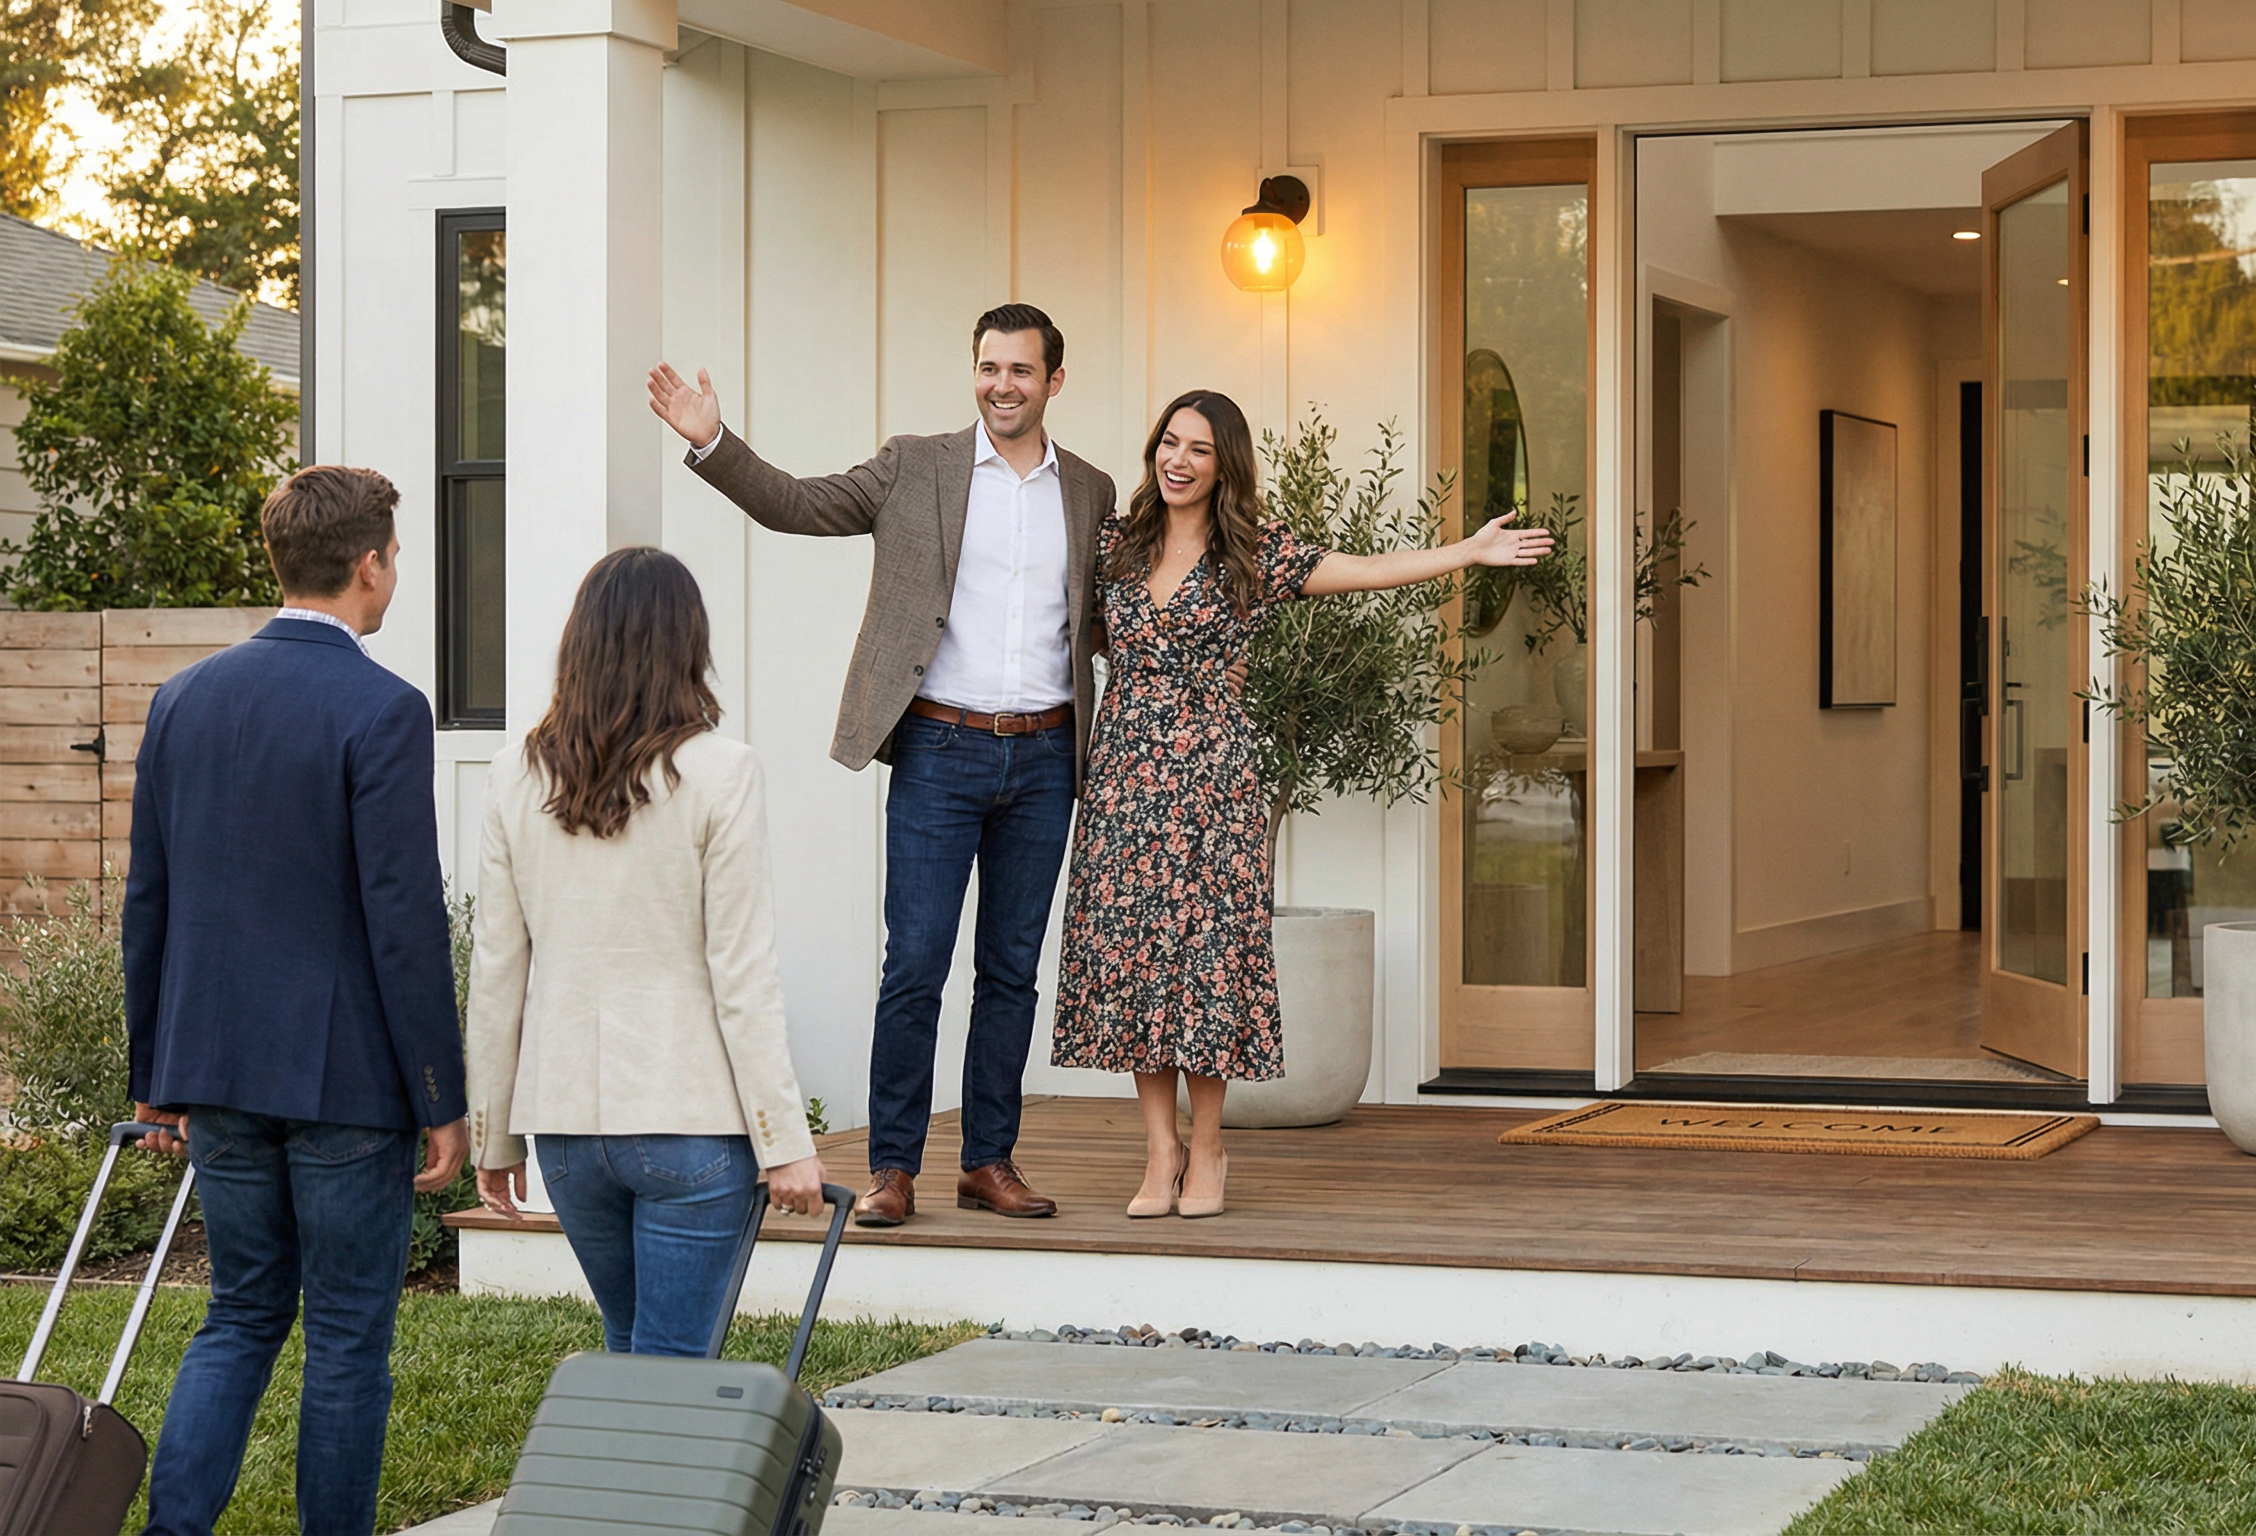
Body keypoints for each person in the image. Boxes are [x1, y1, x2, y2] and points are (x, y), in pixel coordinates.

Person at [644, 303, 1113, 1225]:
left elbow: (1116, 605)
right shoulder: (916, 465)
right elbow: (800, 505)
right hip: (938, 748)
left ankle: (989, 1161)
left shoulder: (1089, 492)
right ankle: (895, 1168)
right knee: (916, 967)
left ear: (1054, 381)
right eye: (988, 367)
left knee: (1013, 970)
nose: (1001, 385)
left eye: (1020, 371)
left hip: (1047, 755)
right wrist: (714, 444)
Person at [1050, 391, 1551, 1218]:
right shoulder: (1114, 543)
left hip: (1214, 780)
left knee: (1208, 963)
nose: (1178, 460)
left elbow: (1363, 571)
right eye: (1169, 443)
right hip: (1124, 778)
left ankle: (1208, 1147)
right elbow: (1080, 630)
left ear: (1225, 465)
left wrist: (1466, 551)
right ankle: (1158, 1149)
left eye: (1199, 450)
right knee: (1136, 960)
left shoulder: (1253, 553)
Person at [124, 465, 467, 1536]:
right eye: (395, 557)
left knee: (239, 1313)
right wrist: (440, 1094)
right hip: (346, 1086)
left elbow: (149, 903)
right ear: (369, 565)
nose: (396, 572)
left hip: (214, 1071)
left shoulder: (181, 699)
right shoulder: (383, 706)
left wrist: (156, 1082)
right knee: (350, 1337)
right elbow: (403, 919)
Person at [465, 548, 830, 1354]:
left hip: (564, 1133)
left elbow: (496, 970)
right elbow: (741, 973)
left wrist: (492, 1137)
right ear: (687, 645)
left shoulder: (513, 775)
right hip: (689, 1123)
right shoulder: (723, 772)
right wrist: (785, 1144)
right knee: (671, 1375)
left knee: (631, 1357)